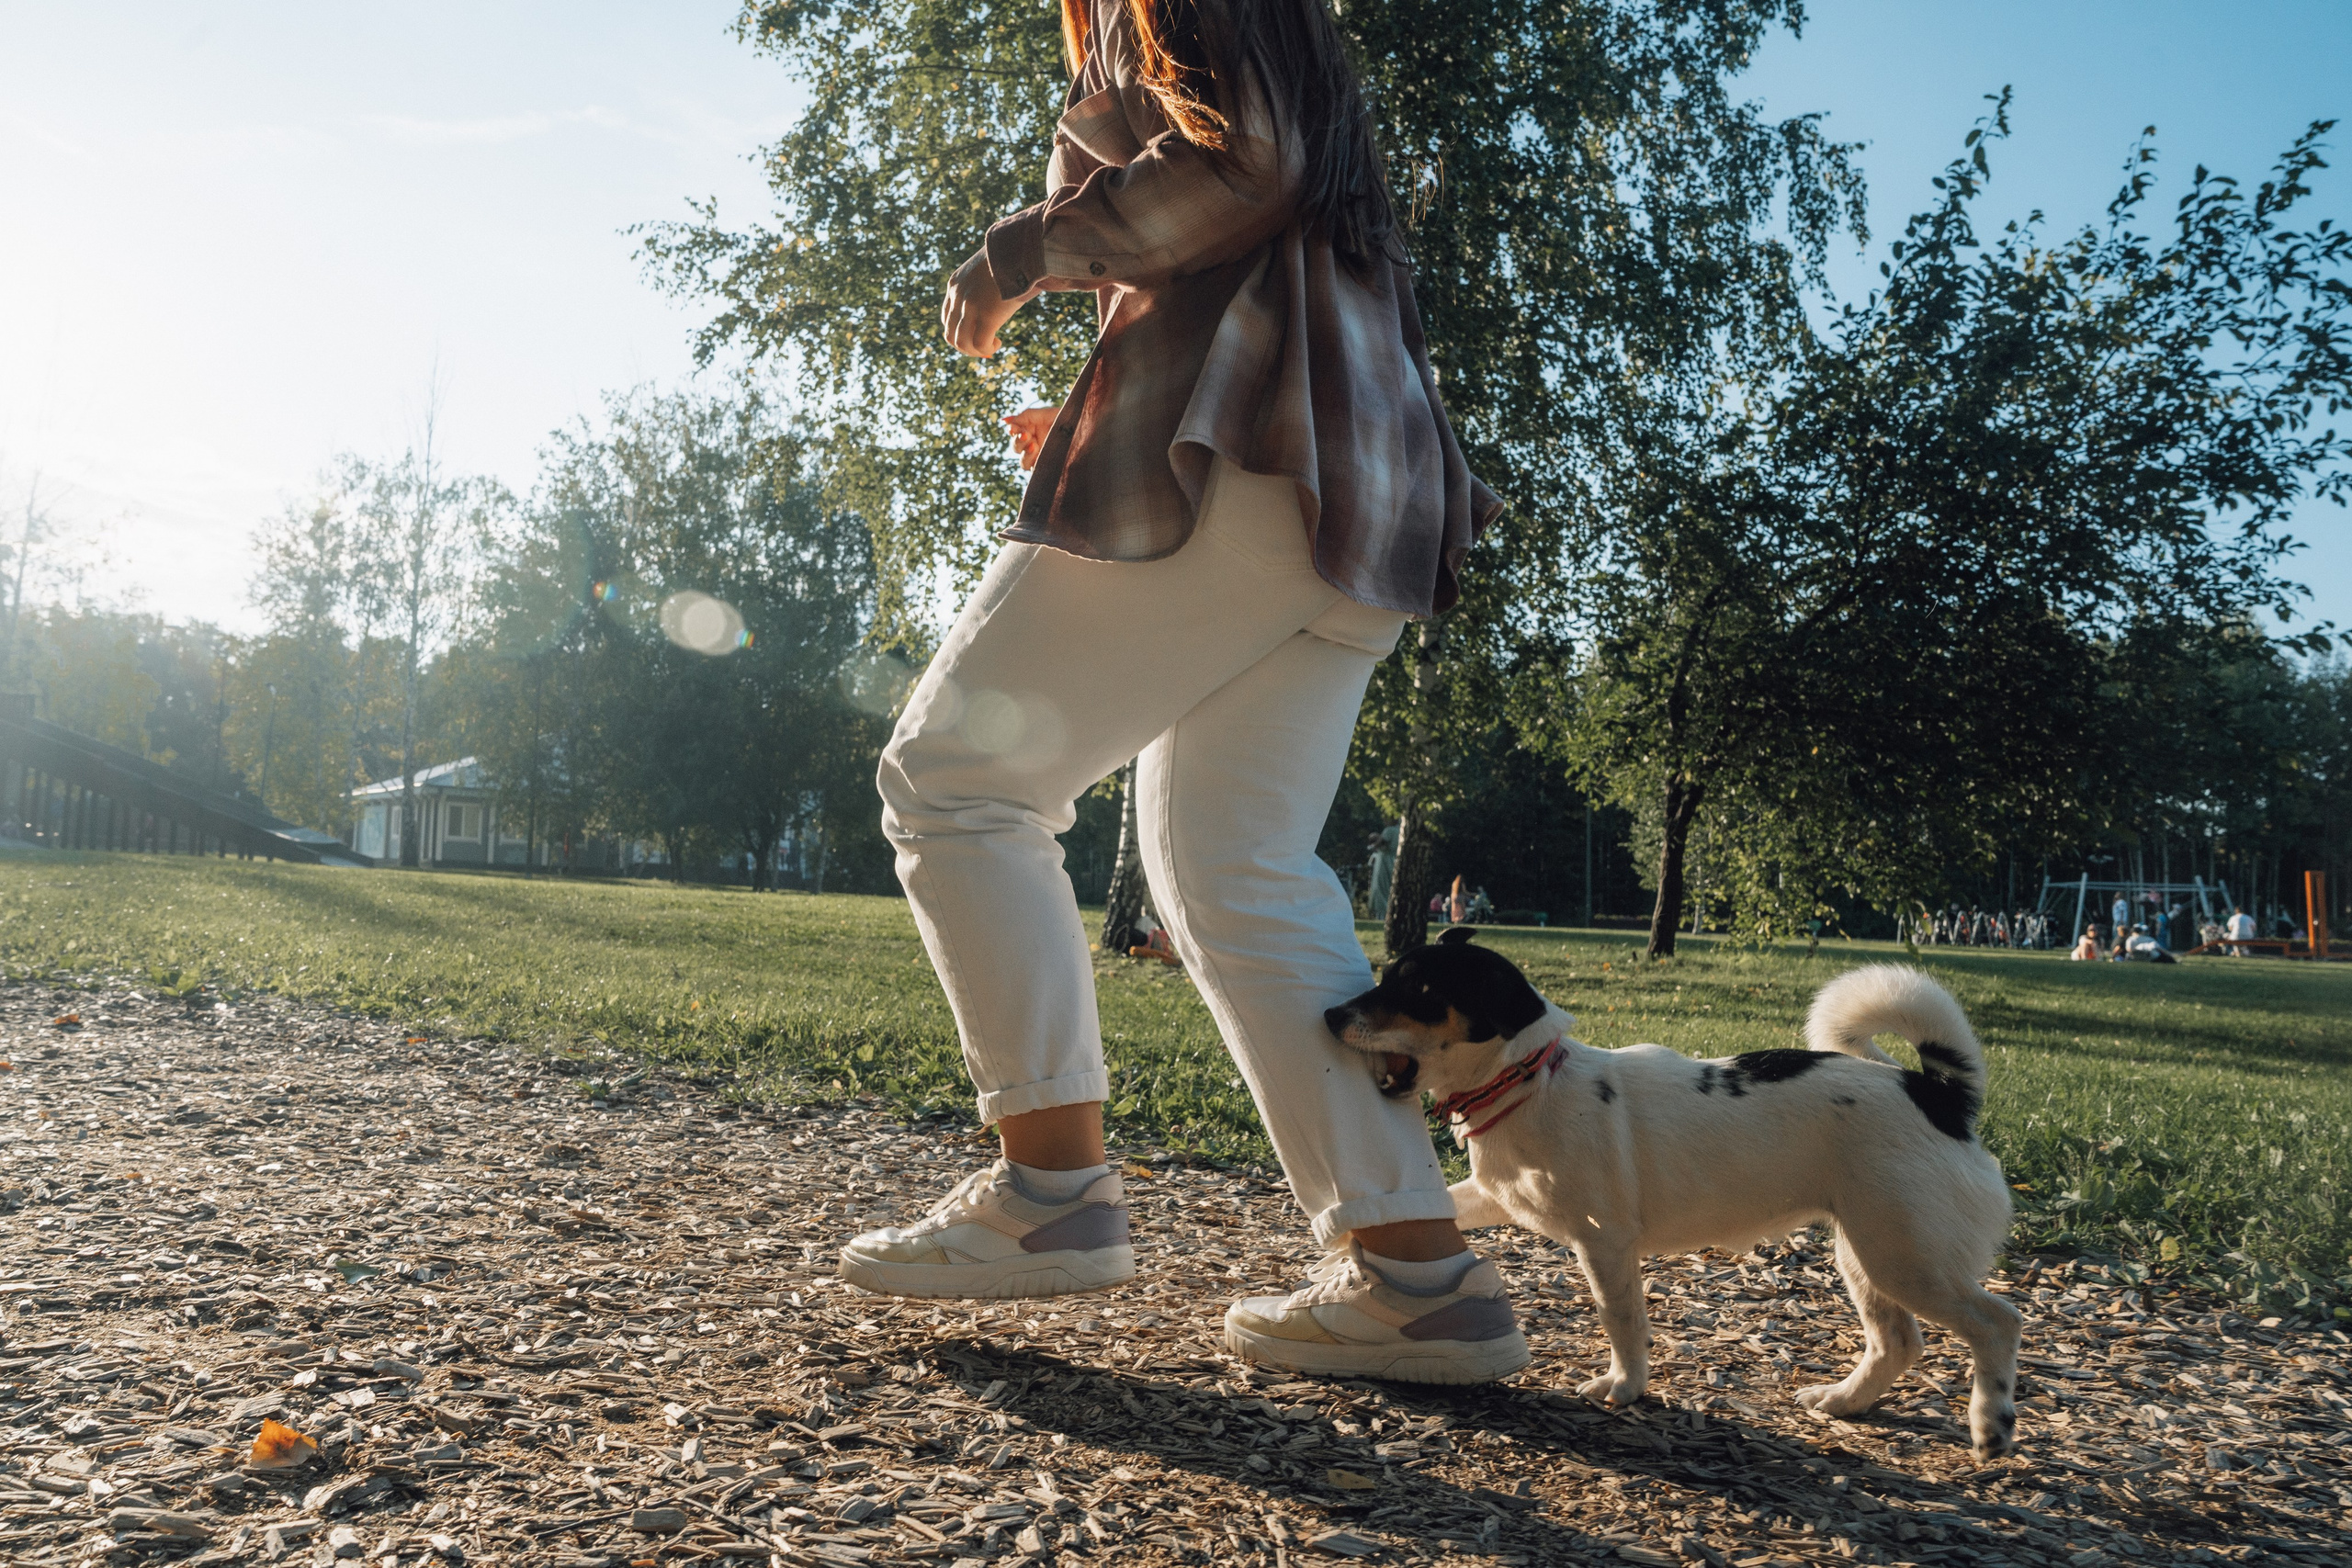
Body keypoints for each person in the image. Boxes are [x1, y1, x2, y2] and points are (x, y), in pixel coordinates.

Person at [849, 0, 1514, 1385]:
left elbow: (1247, 163)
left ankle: (1049, 1196)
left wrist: (1019, 252)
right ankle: (1415, 1274)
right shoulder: (1159, 23)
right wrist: (1108, 377)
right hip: (1361, 490)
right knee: (1234, 872)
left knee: (958, 781)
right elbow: (1245, 230)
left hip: (1252, 463)